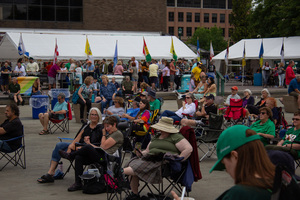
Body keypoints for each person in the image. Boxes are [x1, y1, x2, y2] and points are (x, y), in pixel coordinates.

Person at [123, 117, 193, 200]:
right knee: (133, 162)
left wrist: (178, 159)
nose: (160, 130)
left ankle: (120, 172)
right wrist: (141, 153)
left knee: (139, 165)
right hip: (149, 158)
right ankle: (134, 194)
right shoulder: (157, 136)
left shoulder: (175, 137)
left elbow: (188, 149)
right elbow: (147, 150)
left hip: (162, 162)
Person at [37, 107, 103, 185]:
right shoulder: (86, 125)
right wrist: (71, 146)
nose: (93, 116)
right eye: (92, 114)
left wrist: (84, 144)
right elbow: (78, 137)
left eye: (95, 115)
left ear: (98, 116)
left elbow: (98, 145)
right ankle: (51, 172)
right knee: (59, 145)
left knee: (82, 148)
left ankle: (70, 155)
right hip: (78, 146)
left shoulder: (100, 128)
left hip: (88, 149)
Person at [59, 115, 123, 191]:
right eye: (105, 127)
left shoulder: (117, 134)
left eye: (108, 126)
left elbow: (103, 146)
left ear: (114, 125)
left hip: (107, 159)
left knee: (88, 147)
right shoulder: (109, 133)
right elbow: (99, 147)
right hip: (101, 156)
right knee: (79, 157)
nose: (106, 129)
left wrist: (103, 134)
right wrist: (88, 143)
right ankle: (78, 183)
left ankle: (70, 155)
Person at [210, 125, 275, 200]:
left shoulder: (239, 194)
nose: (227, 171)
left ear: (235, 156)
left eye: (224, 165)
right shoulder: (284, 181)